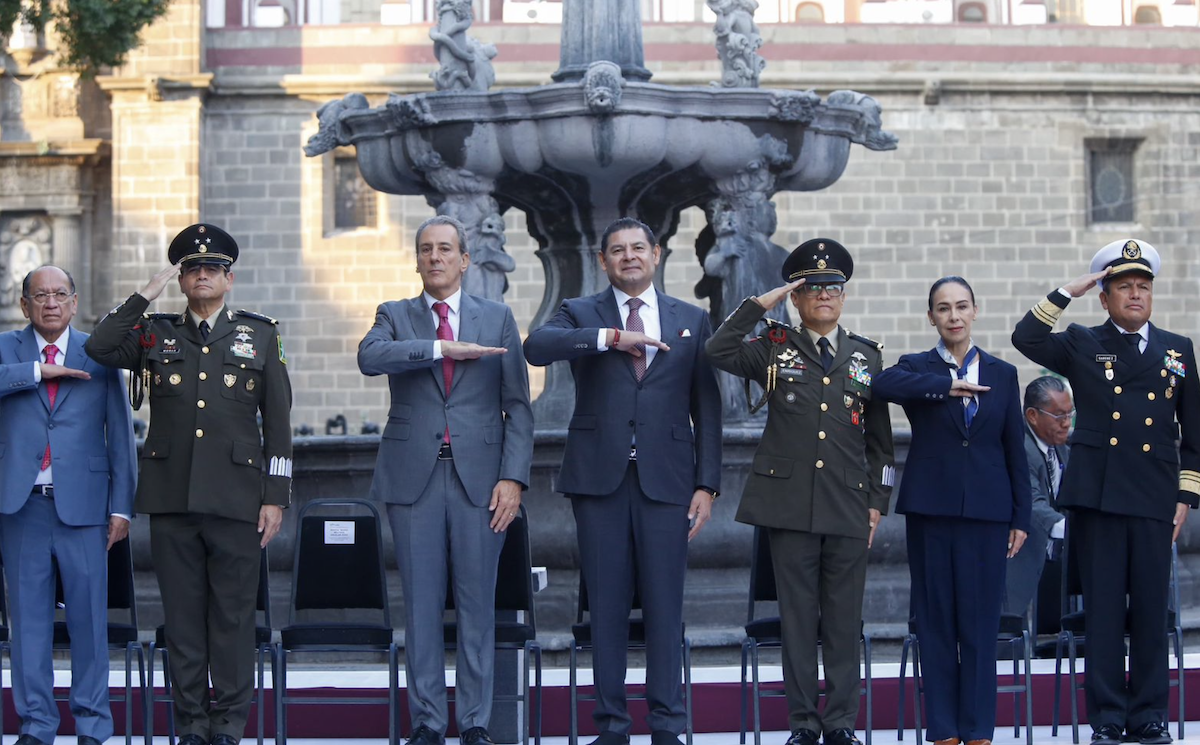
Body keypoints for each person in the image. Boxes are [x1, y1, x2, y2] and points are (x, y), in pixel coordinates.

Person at [86, 224, 293, 745]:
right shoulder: (155, 333)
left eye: (212, 269)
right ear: (180, 279)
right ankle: (192, 726)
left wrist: (275, 497)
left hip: (237, 501)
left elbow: (279, 425)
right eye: (192, 269)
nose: (202, 276)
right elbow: (99, 346)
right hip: (172, 499)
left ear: (229, 279)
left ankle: (228, 726)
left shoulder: (259, 335)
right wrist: (145, 294)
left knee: (232, 619)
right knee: (181, 622)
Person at [523, 217, 721, 745]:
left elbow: (707, 406)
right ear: (603, 260)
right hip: (599, 480)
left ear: (656, 254)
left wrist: (707, 485)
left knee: (665, 607)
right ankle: (611, 725)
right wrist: (610, 338)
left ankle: (667, 725)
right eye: (617, 250)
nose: (629, 256)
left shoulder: (691, 318)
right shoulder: (580, 312)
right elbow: (536, 347)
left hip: (669, 481)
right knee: (606, 608)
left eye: (638, 247)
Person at [705, 238, 893, 745]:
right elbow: (717, 349)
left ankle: (841, 723)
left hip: (849, 504)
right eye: (812, 288)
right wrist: (761, 303)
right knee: (797, 620)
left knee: (844, 620)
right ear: (797, 296)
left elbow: (881, 444)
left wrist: (878, 503)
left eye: (833, 287)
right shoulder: (774, 344)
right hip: (788, 504)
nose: (824, 295)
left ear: (844, 296)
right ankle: (804, 723)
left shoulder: (866, 356)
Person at [1011, 238, 1198, 745]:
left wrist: (1185, 497)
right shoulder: (1083, 342)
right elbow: (1026, 336)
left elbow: (1194, 434)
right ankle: (1109, 717)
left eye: (1143, 287)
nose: (1135, 294)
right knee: (1105, 612)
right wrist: (1067, 292)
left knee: (1152, 611)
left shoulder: (1177, 348)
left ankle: (1151, 715)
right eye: (1124, 287)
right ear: (1105, 297)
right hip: (1099, 495)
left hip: (1155, 496)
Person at [358, 215, 533, 745]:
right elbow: (369, 357)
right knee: (421, 605)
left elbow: (518, 407)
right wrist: (440, 348)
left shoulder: (496, 317)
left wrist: (513, 479)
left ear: (464, 259)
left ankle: (475, 722)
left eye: (445, 249)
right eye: (425, 249)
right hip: (413, 480)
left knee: (478, 605)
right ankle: (428, 722)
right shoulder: (395, 314)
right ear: (417, 260)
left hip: (481, 482)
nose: (435, 257)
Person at [872, 276, 1031, 745]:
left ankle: (978, 729)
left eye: (962, 306)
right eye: (943, 308)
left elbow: (1014, 449)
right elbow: (881, 384)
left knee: (980, 624)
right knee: (936, 620)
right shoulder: (917, 368)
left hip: (988, 512)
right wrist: (948, 385)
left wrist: (1021, 516)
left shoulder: (1002, 373)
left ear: (975, 311)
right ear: (931, 317)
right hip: (932, 510)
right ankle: (943, 728)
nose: (954, 316)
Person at [0, 265, 136, 745]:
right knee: (28, 625)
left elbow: (120, 435)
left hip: (86, 508)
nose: (51, 303)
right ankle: (36, 725)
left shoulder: (98, 353)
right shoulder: (6, 349)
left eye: (60, 294)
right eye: (40, 296)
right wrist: (37, 371)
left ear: (75, 303)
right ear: (25, 305)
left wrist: (122, 507)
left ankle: (92, 725)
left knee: (88, 623)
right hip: (21, 508)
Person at [1004, 376, 1071, 628]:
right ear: (1032, 415)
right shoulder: (1019, 447)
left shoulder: (1061, 447)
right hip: (1020, 558)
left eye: (1070, 414)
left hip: (1055, 559)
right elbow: (1031, 501)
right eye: (1059, 416)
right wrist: (1076, 529)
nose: (1067, 423)